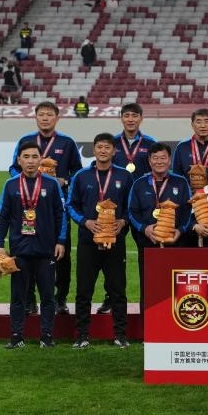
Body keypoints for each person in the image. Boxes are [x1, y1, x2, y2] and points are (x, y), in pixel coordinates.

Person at [10, 101, 81, 315]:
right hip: (29, 208)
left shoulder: (67, 143)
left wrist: (64, 181)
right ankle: (30, 299)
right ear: (36, 117)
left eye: (49, 114)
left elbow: (78, 173)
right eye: (41, 114)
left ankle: (60, 299)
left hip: (56, 208)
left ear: (57, 118)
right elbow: (13, 168)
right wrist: (28, 180)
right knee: (27, 253)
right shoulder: (26, 141)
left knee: (62, 254)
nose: (45, 118)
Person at [0, 140, 66, 348]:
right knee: (18, 296)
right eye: (26, 157)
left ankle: (46, 337)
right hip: (20, 250)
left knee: (47, 296)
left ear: (41, 159)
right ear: (19, 160)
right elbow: (3, 216)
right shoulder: (10, 185)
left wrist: (61, 241)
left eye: (35, 156)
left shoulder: (51, 184)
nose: (31, 161)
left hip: (46, 250)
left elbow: (60, 214)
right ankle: (16, 337)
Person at [67, 133, 134, 347]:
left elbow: (132, 207)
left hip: (115, 242)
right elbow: (70, 205)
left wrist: (123, 221)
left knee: (117, 289)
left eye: (107, 147)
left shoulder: (125, 176)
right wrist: (85, 222)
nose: (103, 150)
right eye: (99, 147)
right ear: (94, 150)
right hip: (88, 242)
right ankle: (82, 335)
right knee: (84, 290)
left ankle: (120, 335)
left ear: (114, 151)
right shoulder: (81, 176)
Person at [128, 144, 192, 292]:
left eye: (163, 158)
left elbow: (188, 211)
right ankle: (147, 309)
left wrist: (180, 231)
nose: (159, 162)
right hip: (148, 243)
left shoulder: (181, 182)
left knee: (176, 287)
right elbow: (132, 211)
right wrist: (144, 229)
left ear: (169, 160)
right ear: (149, 161)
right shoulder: (139, 183)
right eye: (155, 158)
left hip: (175, 242)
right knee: (149, 287)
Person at [112, 102, 156, 181]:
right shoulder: (113, 142)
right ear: (121, 118)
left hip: (143, 187)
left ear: (141, 119)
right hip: (118, 187)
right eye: (126, 116)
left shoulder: (151, 143)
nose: (130, 120)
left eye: (134, 116)